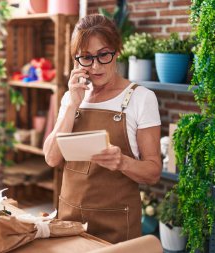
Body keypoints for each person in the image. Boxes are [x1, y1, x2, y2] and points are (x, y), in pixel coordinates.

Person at [43, 14, 162, 244]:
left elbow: (153, 172)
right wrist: (71, 105)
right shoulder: (72, 97)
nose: (95, 66)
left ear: (117, 51)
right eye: (86, 58)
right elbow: (51, 158)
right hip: (69, 224)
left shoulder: (141, 98)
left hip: (116, 229)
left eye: (103, 55)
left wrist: (122, 162)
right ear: (76, 60)